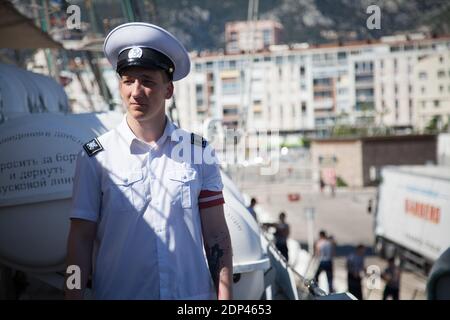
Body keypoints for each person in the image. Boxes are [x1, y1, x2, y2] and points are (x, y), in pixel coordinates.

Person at [65, 23, 233, 300]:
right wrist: (72, 296)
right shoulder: (95, 157)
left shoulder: (198, 151)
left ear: (168, 90)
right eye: (128, 81)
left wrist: (226, 300)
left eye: (147, 81)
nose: (136, 91)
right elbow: (80, 239)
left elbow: (216, 236)